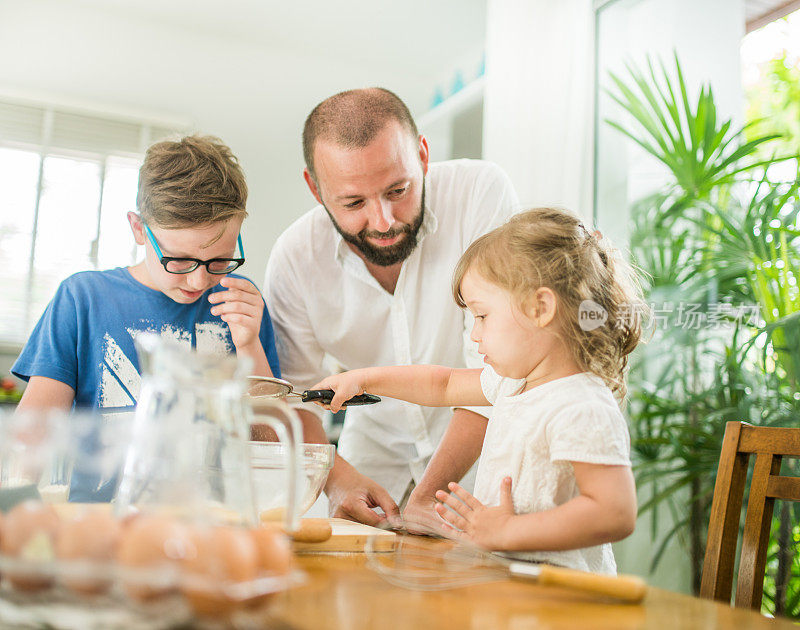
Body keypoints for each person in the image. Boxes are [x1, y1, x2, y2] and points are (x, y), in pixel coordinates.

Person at [312, 208, 643, 574]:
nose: (474, 333)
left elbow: (615, 512)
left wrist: (509, 530)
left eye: (482, 316)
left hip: (565, 601)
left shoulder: (581, 406)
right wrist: (365, 379)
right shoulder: (513, 384)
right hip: (511, 591)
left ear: (541, 308)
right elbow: (443, 384)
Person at [264, 88, 519, 527]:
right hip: (369, 451)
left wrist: (426, 497)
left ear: (422, 155)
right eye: (353, 203)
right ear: (315, 187)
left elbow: (499, 374)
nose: (383, 221)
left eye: (398, 190)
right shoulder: (294, 259)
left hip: (482, 446)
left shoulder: (480, 194)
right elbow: (296, 401)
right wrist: (339, 481)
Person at [14, 135, 281, 413]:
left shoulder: (240, 301)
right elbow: (34, 432)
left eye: (220, 260)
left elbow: (272, 439)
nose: (199, 281)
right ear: (139, 229)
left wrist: (249, 345)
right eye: (179, 260)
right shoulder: (82, 299)